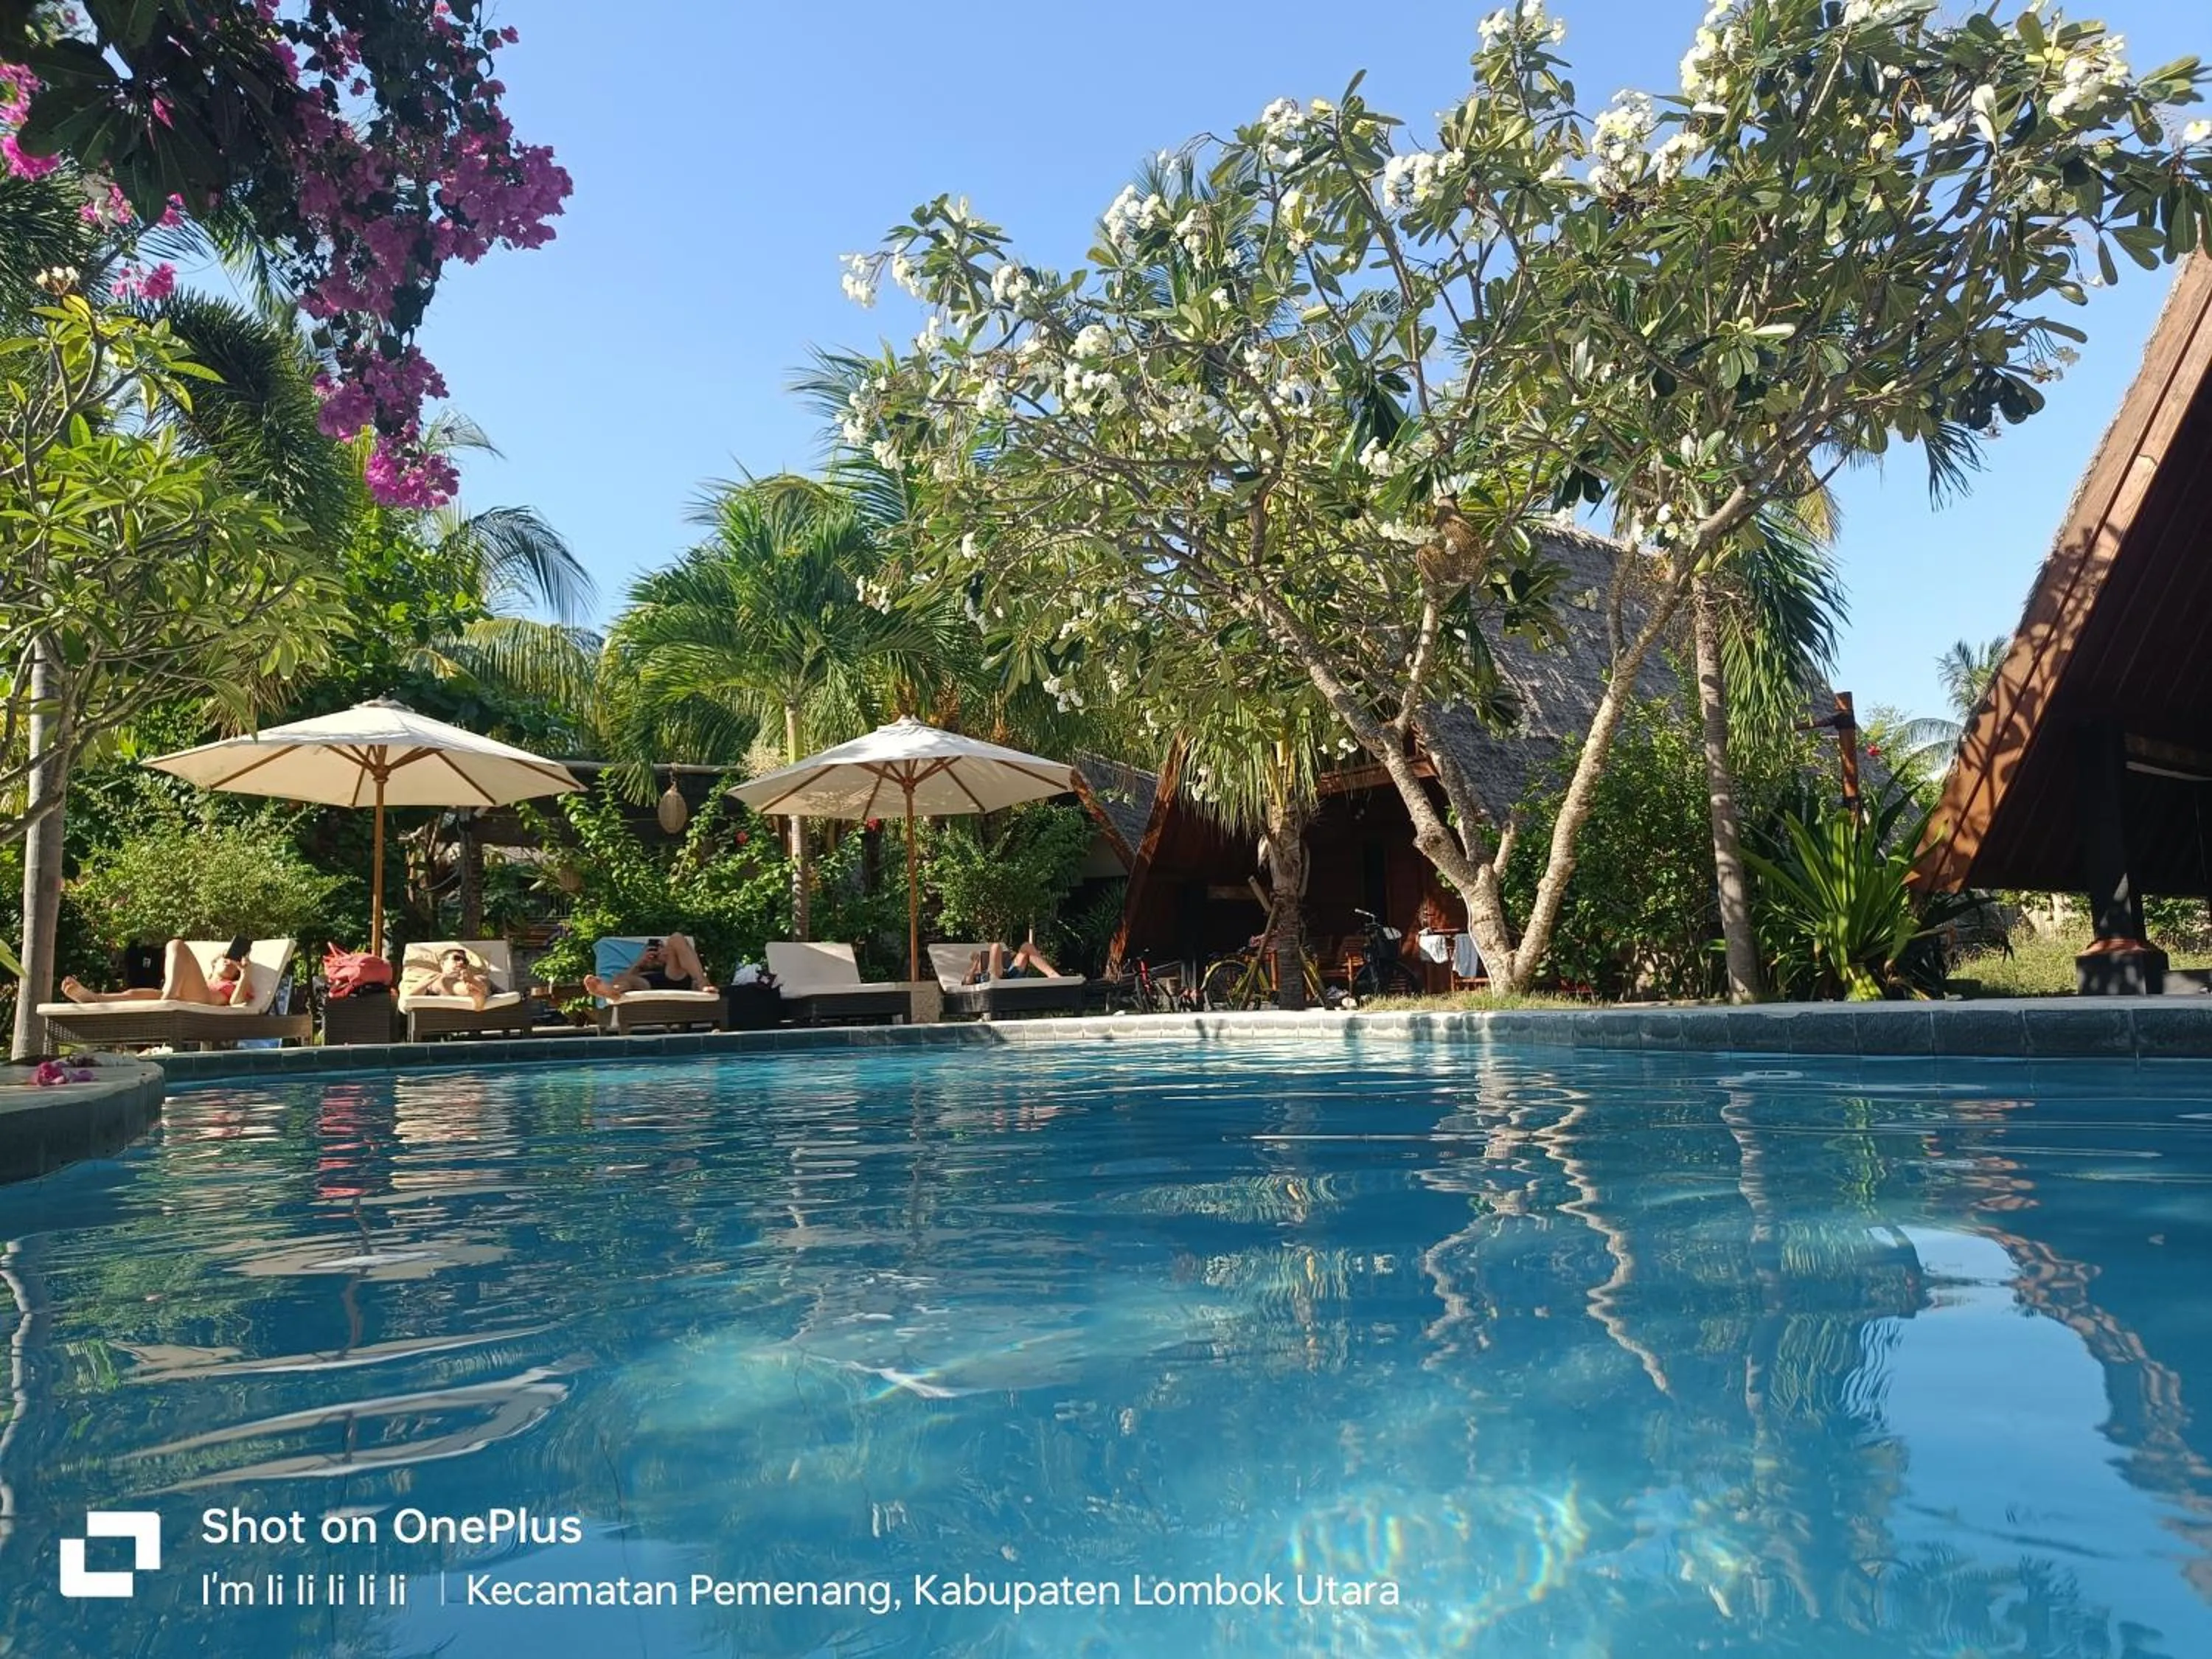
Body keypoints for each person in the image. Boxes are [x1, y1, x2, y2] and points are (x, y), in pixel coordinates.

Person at [60, 936, 252, 1006]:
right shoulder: (202, 979)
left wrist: (244, 973)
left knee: (176, 944)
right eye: (225, 957)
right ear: (214, 964)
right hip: (181, 997)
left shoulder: (235, 983)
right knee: (134, 994)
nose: (229, 961)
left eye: (233, 962)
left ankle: (170, 994)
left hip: (203, 1000)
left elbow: (236, 1002)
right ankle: (94, 998)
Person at [585, 934, 714, 1002]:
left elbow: (685, 956)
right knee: (624, 979)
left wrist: (667, 956)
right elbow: (624, 977)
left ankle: (703, 983)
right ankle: (612, 992)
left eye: (662, 947)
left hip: (674, 976)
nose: (658, 951)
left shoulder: (675, 957)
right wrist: (639, 963)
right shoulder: (642, 966)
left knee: (677, 937)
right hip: (647, 983)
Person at [404, 947, 495, 1011]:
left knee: (482, 979)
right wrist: (427, 982)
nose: (461, 962)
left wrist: (473, 979)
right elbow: (411, 996)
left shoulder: (476, 976)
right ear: (443, 963)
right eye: (456, 958)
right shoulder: (434, 977)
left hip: (479, 986)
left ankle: (476, 991)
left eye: (465, 961)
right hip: (451, 986)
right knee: (444, 981)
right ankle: (475, 993)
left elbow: (500, 993)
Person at [964, 937, 1060, 985]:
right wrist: (975, 964)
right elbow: (967, 982)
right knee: (996, 946)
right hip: (990, 981)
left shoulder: (993, 963)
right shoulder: (972, 970)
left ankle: (1053, 975)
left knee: (1026, 946)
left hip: (1008, 976)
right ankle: (995, 981)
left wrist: (1013, 956)